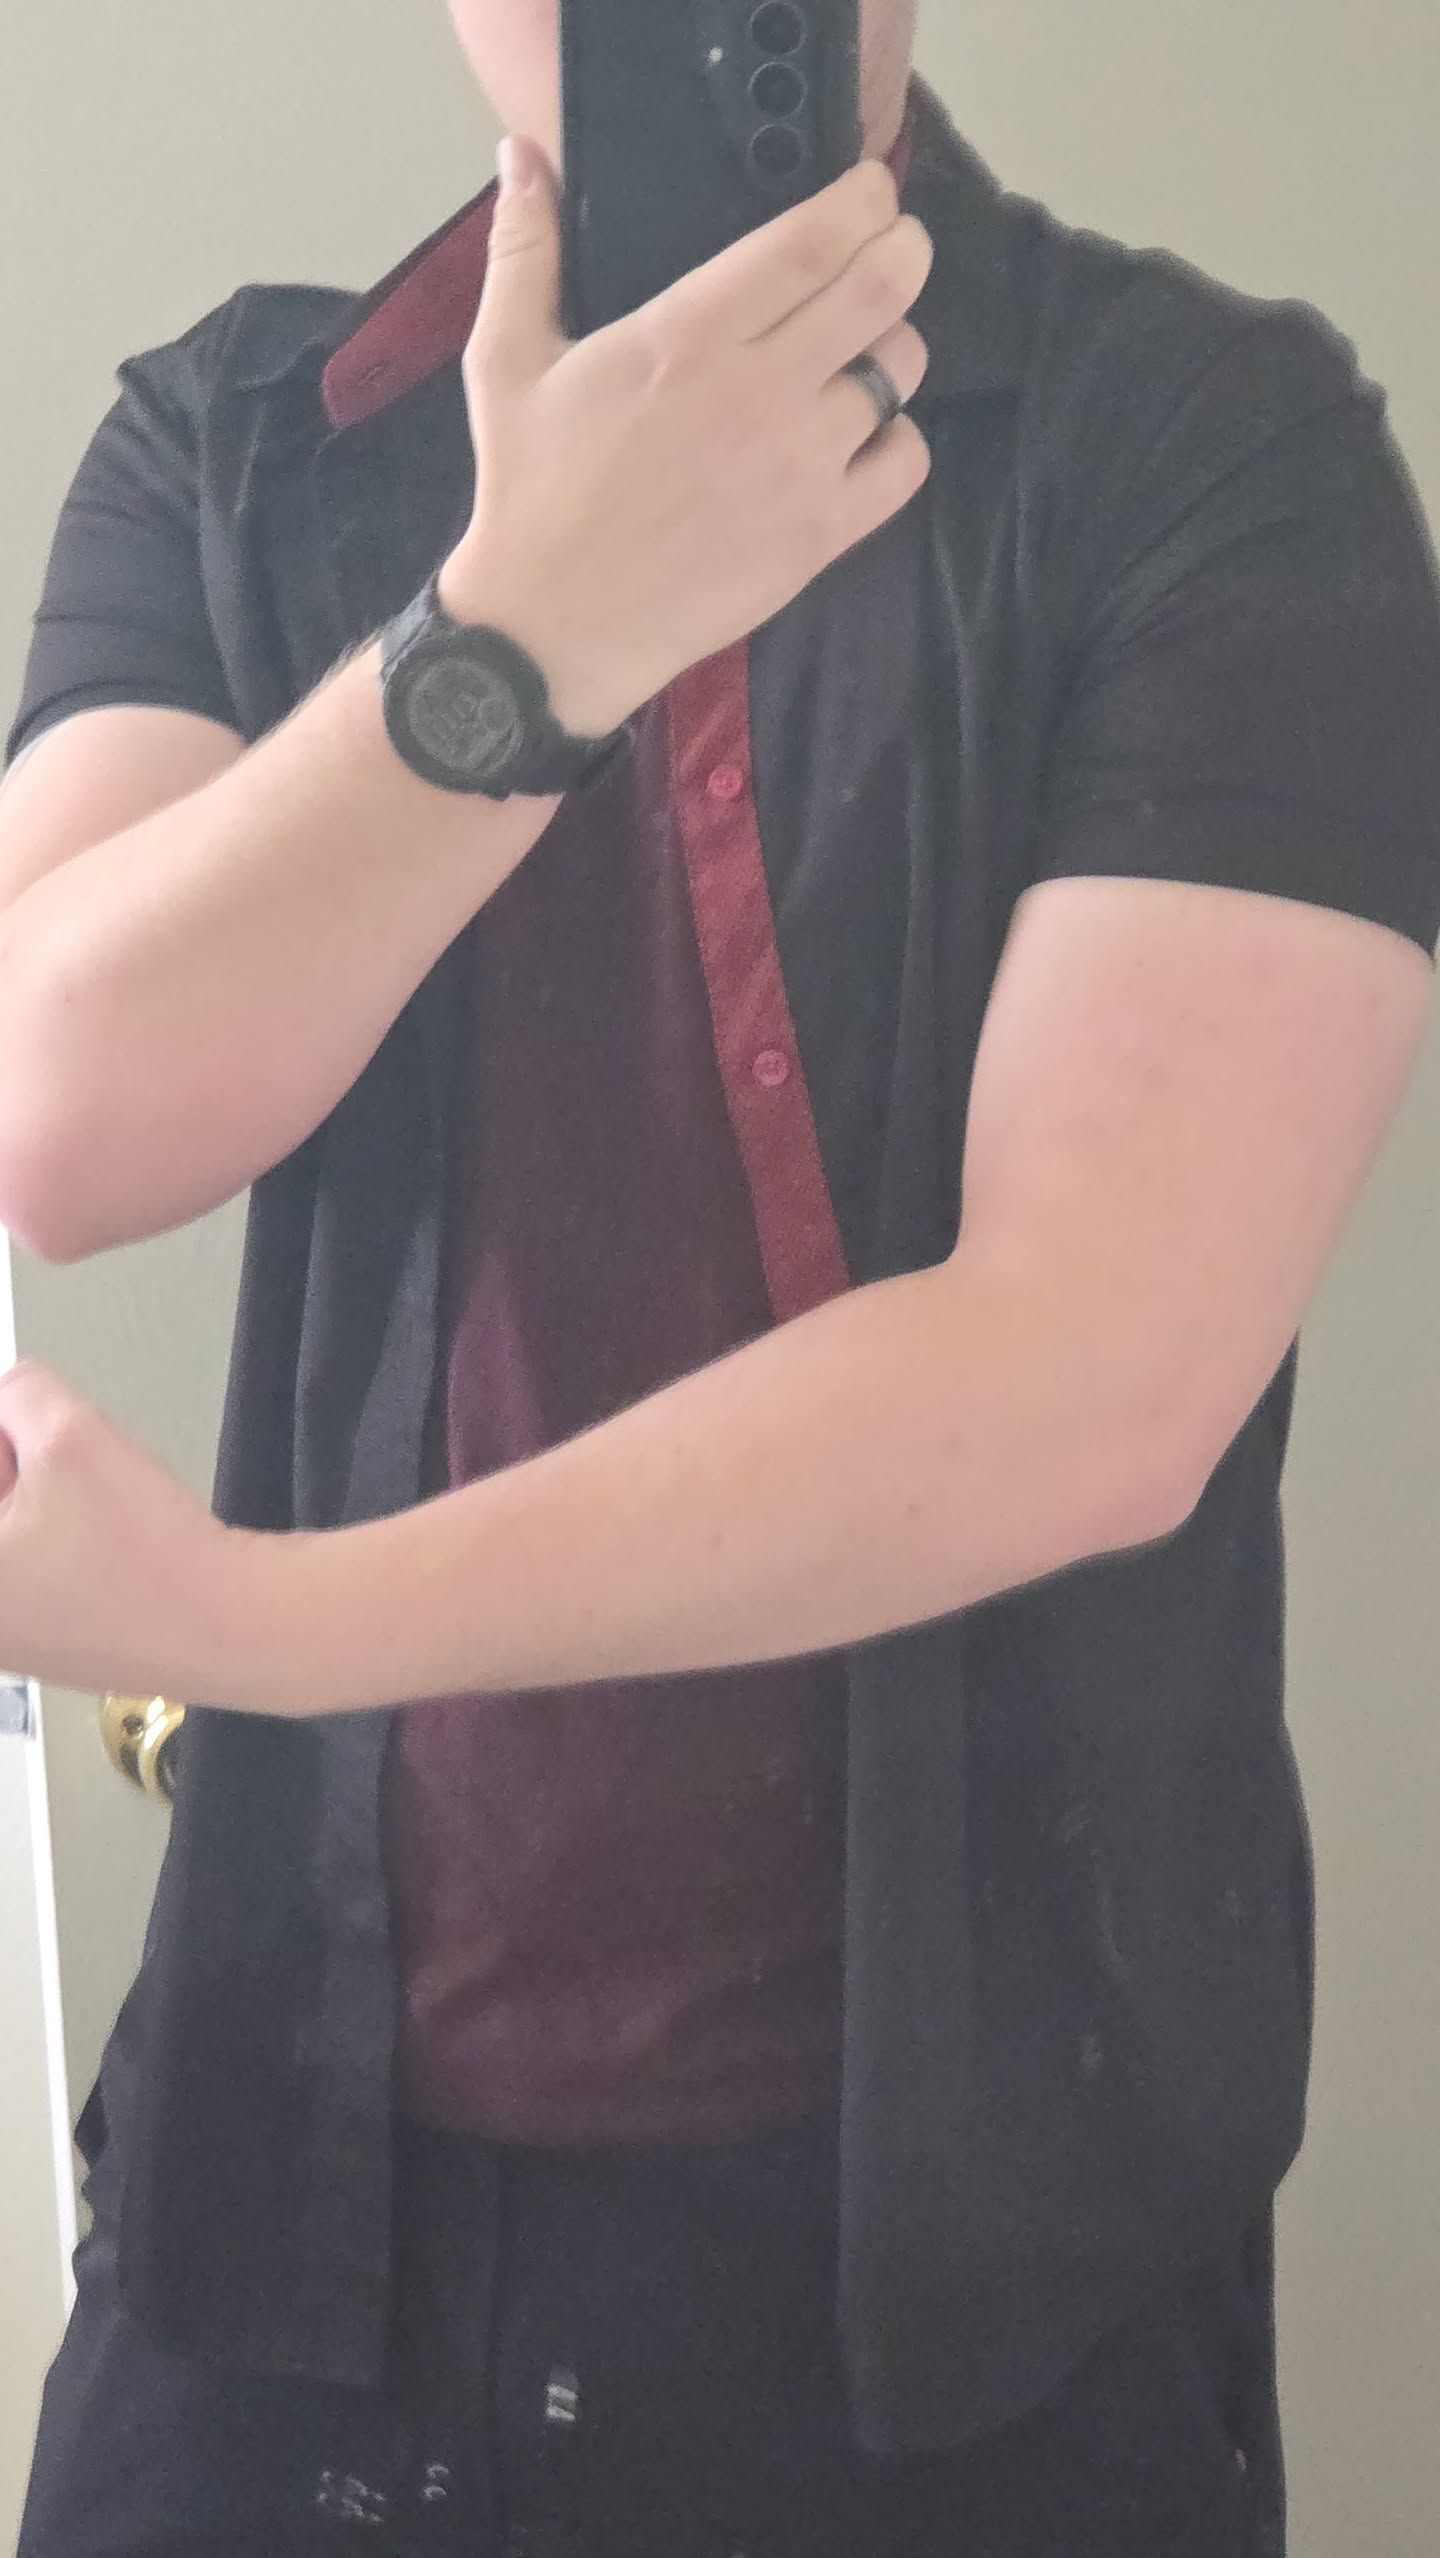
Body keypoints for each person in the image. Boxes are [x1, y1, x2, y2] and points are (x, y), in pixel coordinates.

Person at [2, 3, 1439, 2552]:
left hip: (971, 2301)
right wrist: (522, 634)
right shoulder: (234, 442)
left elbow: (1094, 1375)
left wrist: (251, 1619)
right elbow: (61, 1115)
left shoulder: (1214, 450)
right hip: (283, 2229)